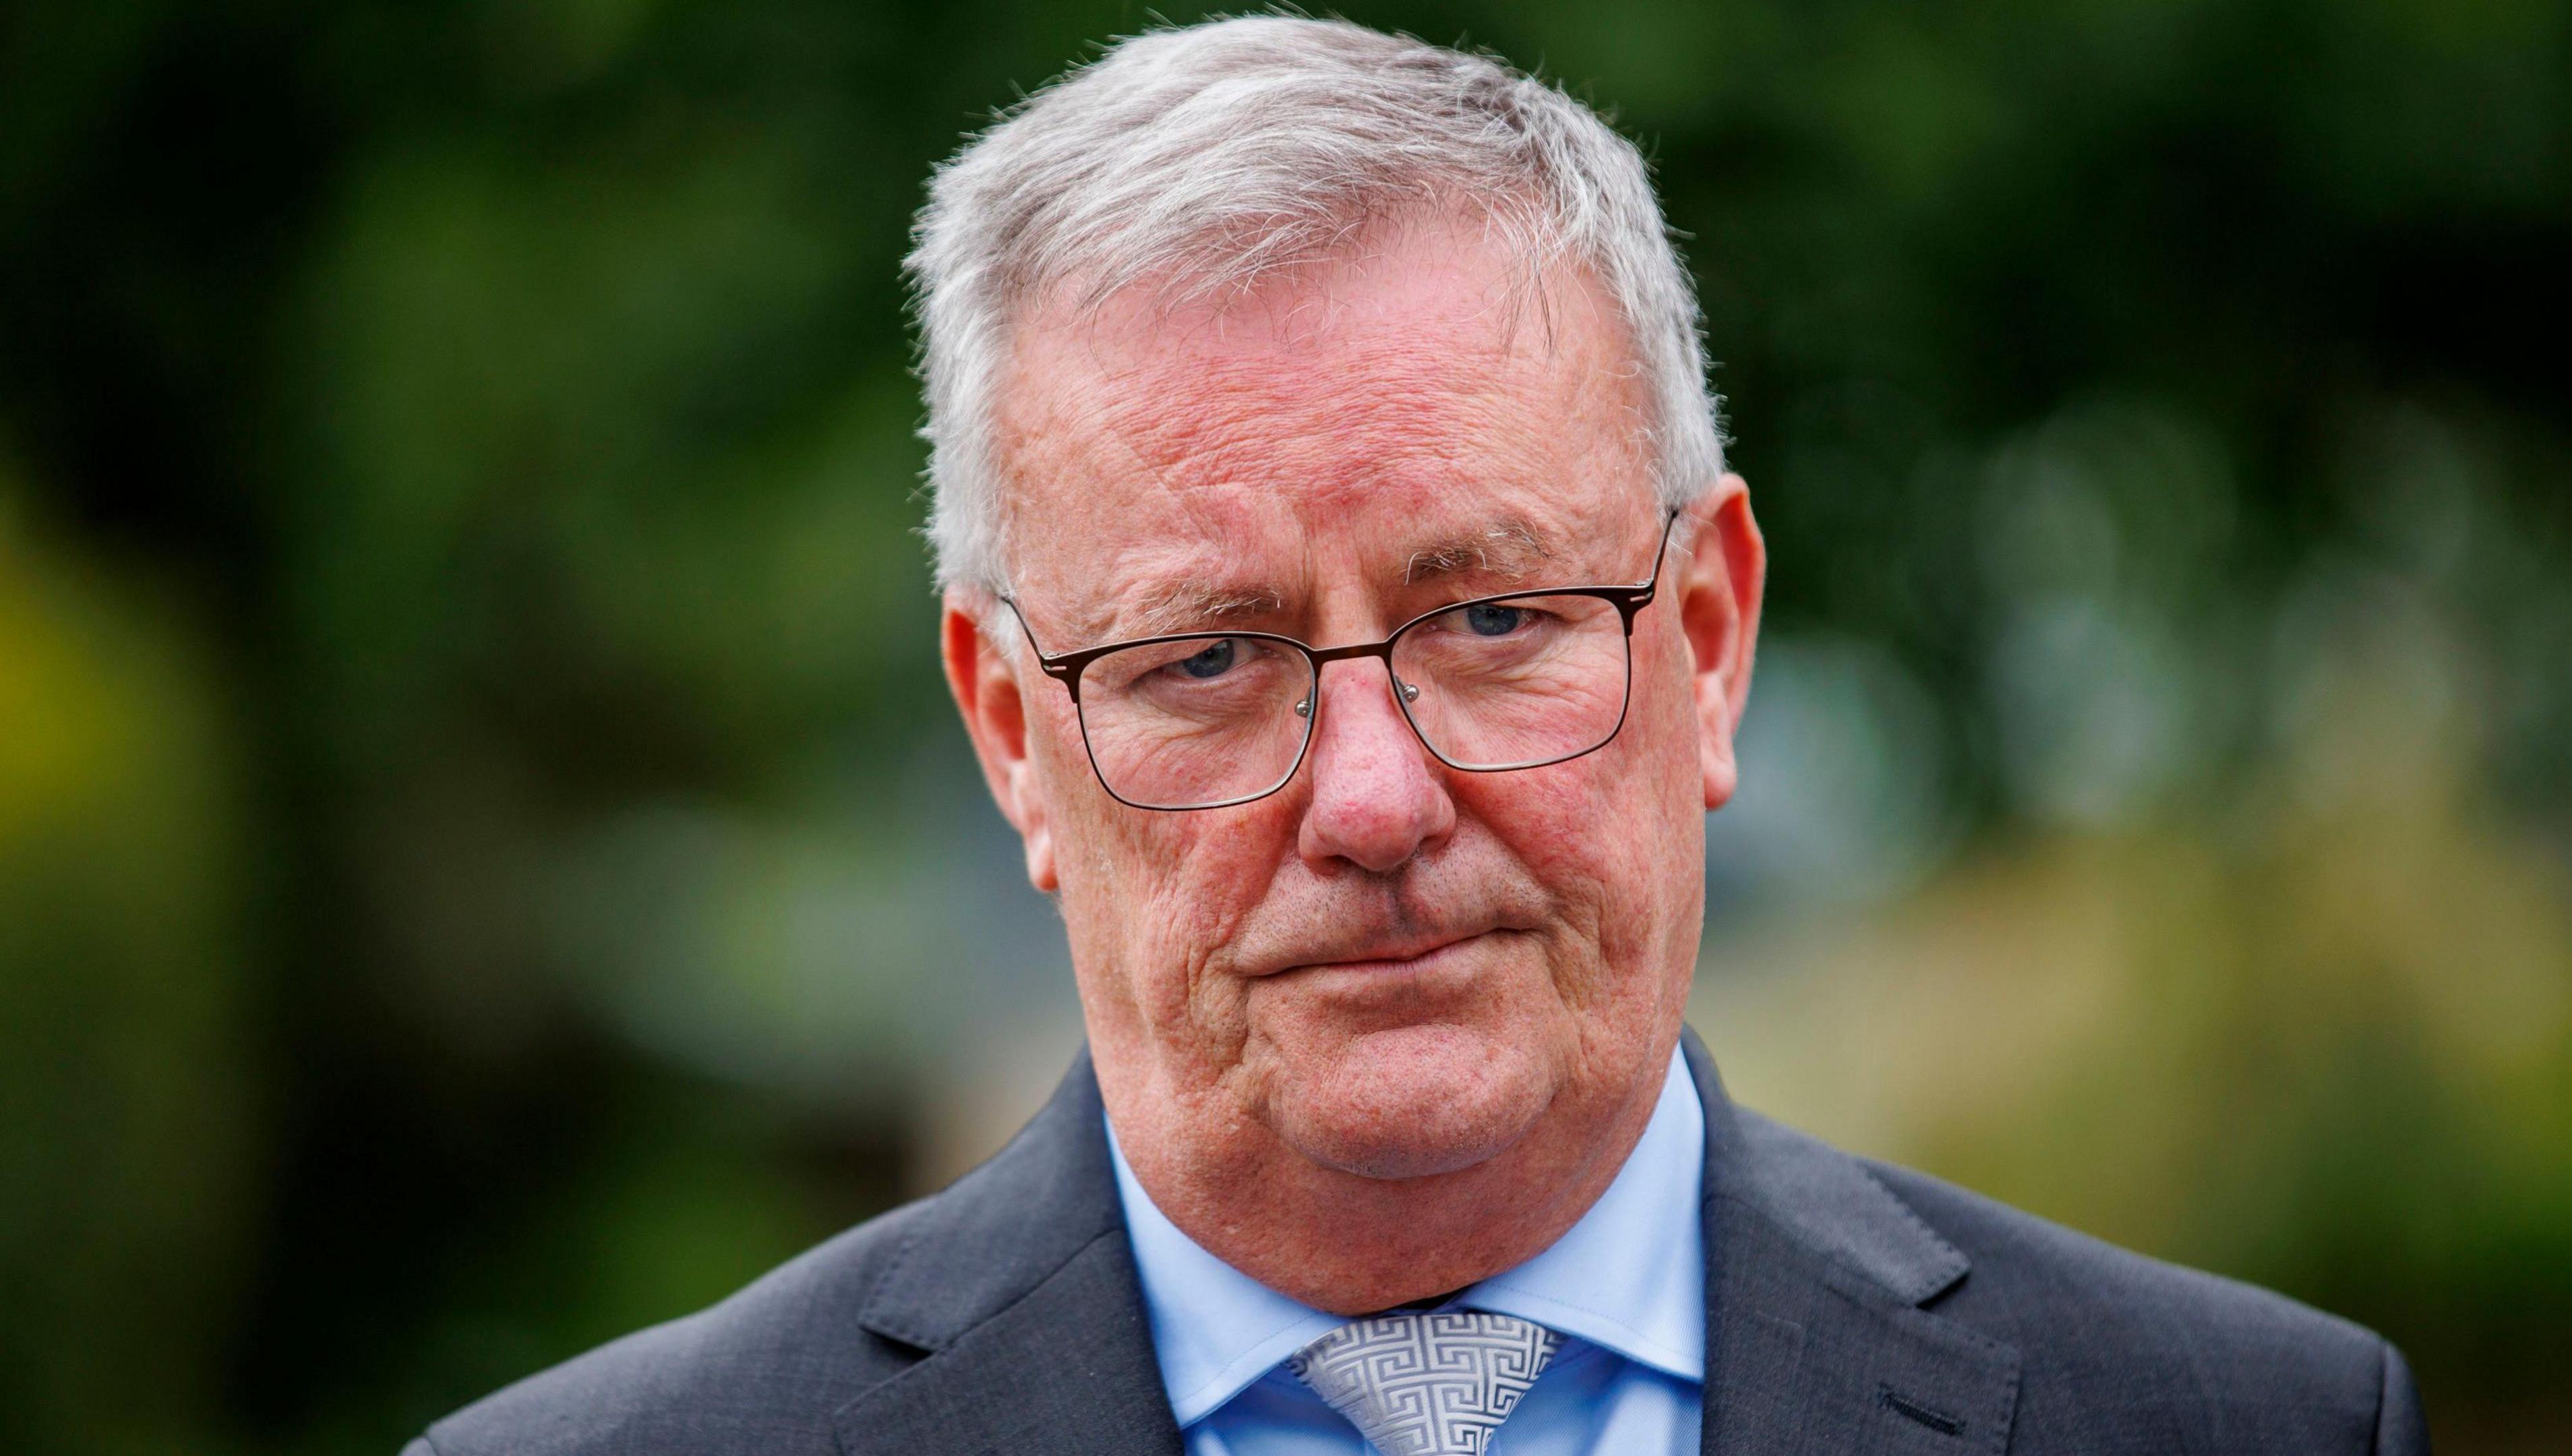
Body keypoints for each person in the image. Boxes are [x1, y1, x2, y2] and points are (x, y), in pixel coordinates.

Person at [407, 16, 2428, 1455]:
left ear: (1708, 642)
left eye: (1490, 620)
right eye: (1206, 659)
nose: (1373, 800)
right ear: (1016, 739)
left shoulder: (2243, 1426)